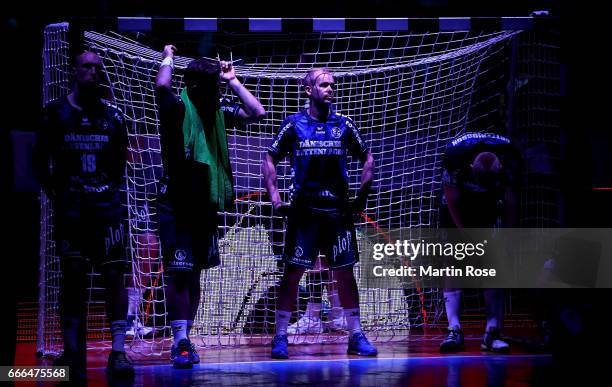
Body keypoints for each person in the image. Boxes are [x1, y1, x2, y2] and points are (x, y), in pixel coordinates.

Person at [155, 44, 265, 368]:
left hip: (205, 205)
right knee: (179, 273)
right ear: (195, 86)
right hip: (176, 203)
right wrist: (169, 57)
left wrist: (232, 80)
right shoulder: (177, 107)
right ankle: (179, 341)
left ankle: (185, 338)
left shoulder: (218, 110)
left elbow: (257, 112)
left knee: (195, 275)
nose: (219, 91)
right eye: (215, 85)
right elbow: (162, 85)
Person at [263, 68, 377, 359]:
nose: (329, 89)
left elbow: (368, 158)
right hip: (304, 215)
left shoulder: (344, 125)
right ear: (308, 90)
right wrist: (275, 198)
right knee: (292, 275)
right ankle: (279, 336)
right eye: (323, 84)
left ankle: (355, 334)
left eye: (332, 85)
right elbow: (269, 158)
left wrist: (360, 198)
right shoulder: (293, 125)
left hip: (338, 215)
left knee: (345, 274)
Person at [34, 51, 134, 378]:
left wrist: (105, 192)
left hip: (107, 213)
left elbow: (120, 165)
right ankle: (72, 352)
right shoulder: (55, 114)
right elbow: (39, 163)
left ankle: (118, 352)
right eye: (86, 66)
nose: (92, 72)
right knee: (72, 280)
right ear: (74, 71)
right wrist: (60, 195)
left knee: (114, 278)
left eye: (97, 67)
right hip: (73, 214)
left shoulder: (113, 117)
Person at [438, 132, 522, 353]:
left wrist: (509, 238)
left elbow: (512, 201)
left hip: (488, 206)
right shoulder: (455, 157)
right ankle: (454, 328)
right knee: (453, 263)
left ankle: (492, 331)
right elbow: (452, 200)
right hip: (458, 206)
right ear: (470, 167)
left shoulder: (511, 159)